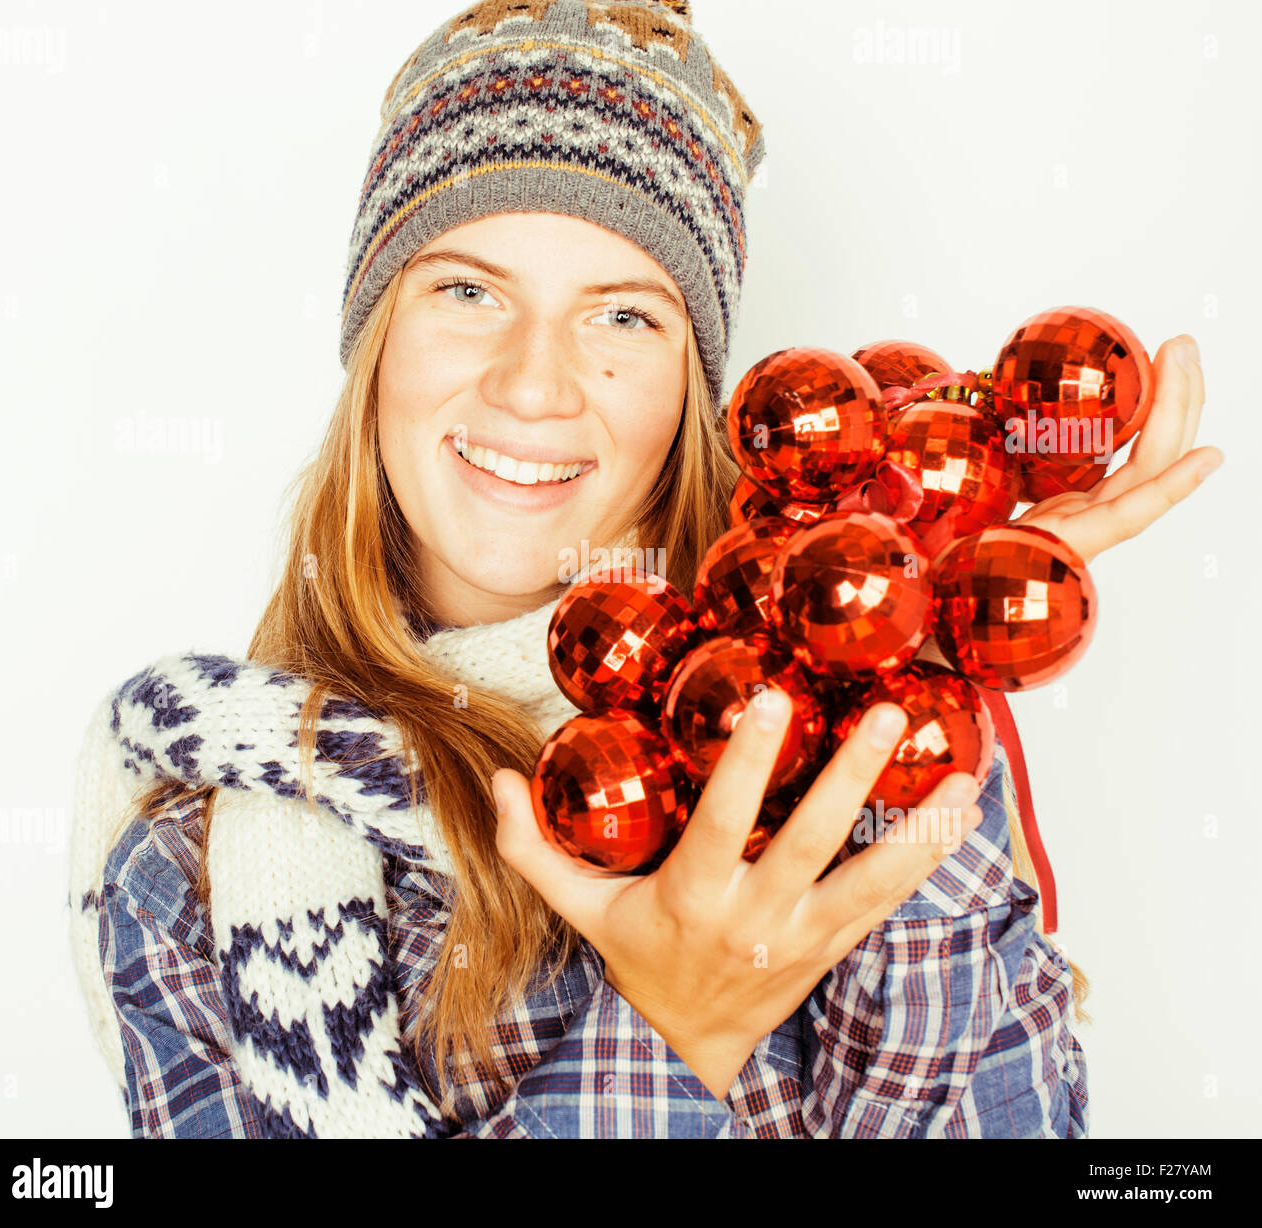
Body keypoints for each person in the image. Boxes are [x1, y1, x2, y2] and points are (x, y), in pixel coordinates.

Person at [68, 0, 1219, 1139]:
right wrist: (676, 1028)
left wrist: (883, 672)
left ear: (691, 392)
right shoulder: (185, 860)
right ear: (374, 342)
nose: (533, 385)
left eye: (622, 316)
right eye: (466, 292)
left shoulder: (867, 716)